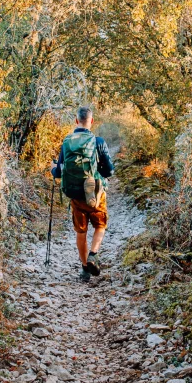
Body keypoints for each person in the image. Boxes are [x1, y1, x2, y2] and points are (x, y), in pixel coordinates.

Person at [52, 106, 115, 282]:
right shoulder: (98, 141)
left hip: (76, 195)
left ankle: (85, 268)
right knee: (100, 225)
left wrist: (52, 169)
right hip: (95, 193)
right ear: (91, 121)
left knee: (81, 231)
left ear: (76, 120)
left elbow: (58, 172)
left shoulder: (67, 142)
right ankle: (93, 254)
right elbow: (109, 171)